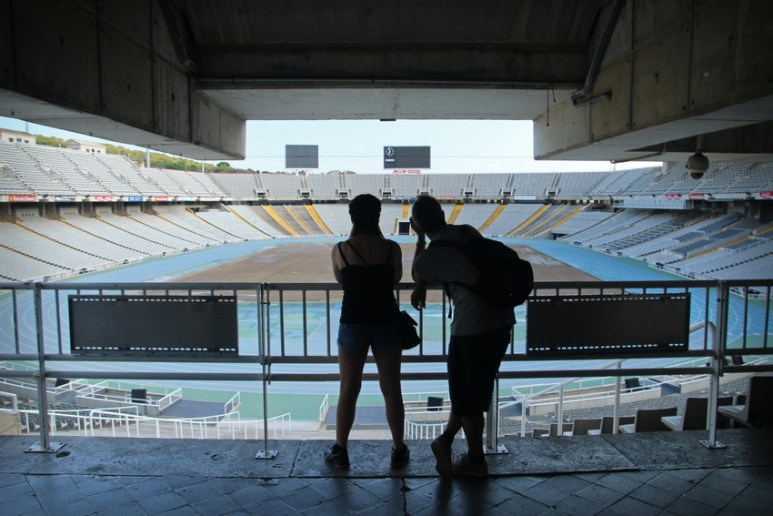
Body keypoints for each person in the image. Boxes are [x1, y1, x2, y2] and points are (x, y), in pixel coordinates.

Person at [410, 195, 514, 477]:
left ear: (416, 224)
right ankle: (444, 441)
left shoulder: (431, 255)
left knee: (468, 399)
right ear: (443, 214)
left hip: (471, 330)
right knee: (471, 394)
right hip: (502, 322)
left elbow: (418, 271)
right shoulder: (468, 232)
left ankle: (476, 461)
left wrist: (420, 241)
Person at [326, 193, 409, 470]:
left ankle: (341, 451)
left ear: (352, 218)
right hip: (386, 321)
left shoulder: (340, 249)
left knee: (349, 388)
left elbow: (341, 279)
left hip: (352, 321)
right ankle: (398, 451)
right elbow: (395, 278)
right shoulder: (392, 249)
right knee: (391, 388)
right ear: (378, 216)